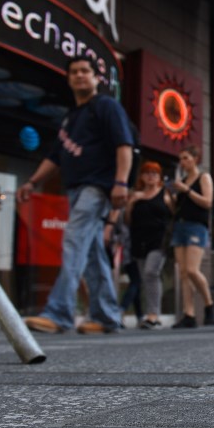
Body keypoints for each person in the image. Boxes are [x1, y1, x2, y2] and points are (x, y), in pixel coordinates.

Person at [17, 55, 133, 334]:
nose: (80, 75)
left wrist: (121, 182)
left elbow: (124, 144)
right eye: (74, 72)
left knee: (73, 240)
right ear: (69, 79)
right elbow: (55, 156)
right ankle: (107, 317)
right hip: (76, 188)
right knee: (91, 253)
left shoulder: (106, 106)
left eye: (85, 71)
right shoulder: (71, 117)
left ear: (96, 78)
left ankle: (58, 313)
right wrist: (32, 182)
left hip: (97, 187)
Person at [125, 161, 174, 329]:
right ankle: (151, 314)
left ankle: (154, 314)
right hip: (139, 240)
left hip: (158, 241)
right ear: (141, 177)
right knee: (145, 278)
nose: (150, 176)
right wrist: (131, 203)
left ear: (160, 177)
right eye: (147, 173)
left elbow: (173, 216)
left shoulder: (166, 194)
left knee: (151, 272)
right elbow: (127, 221)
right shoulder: (135, 195)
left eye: (154, 173)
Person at [171, 145, 214, 328]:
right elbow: (177, 209)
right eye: (181, 158)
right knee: (183, 273)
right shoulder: (181, 181)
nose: (183, 161)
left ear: (195, 158)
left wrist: (187, 190)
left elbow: (207, 202)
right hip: (180, 225)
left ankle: (209, 304)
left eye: (186, 157)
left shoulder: (204, 177)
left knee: (191, 269)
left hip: (197, 226)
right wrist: (172, 197)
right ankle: (189, 313)